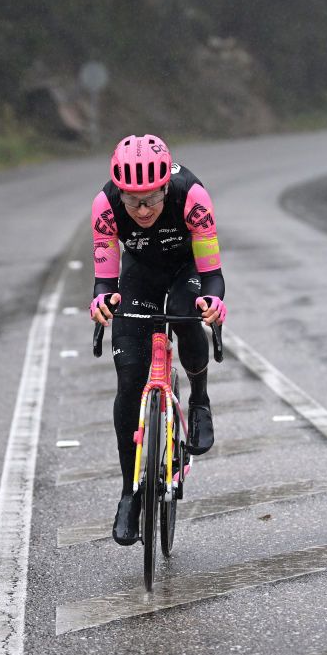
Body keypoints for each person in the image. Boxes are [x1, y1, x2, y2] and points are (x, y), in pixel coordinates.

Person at [89, 134, 227, 546]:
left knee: (187, 318)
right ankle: (129, 494)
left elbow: (213, 274)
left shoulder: (193, 197)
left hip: (186, 267)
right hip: (140, 273)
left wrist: (213, 301)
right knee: (129, 379)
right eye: (133, 202)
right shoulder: (105, 207)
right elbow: (104, 278)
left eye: (151, 199)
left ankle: (199, 400)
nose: (143, 210)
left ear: (166, 186)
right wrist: (101, 301)